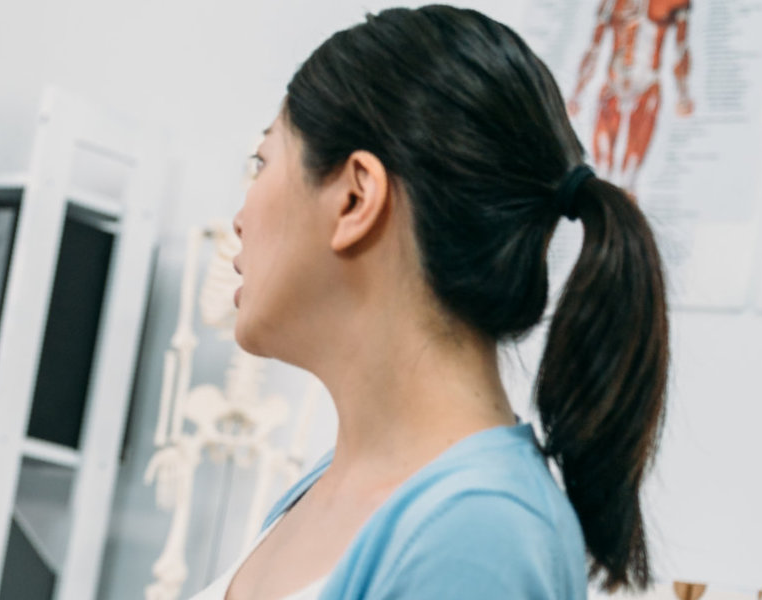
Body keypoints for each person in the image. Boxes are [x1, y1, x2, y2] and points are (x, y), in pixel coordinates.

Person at [199, 5, 669, 599]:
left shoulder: (479, 536)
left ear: (354, 198)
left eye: (261, 162)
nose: (240, 218)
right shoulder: (334, 487)